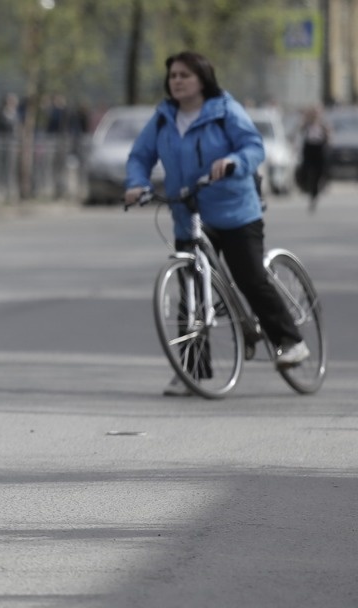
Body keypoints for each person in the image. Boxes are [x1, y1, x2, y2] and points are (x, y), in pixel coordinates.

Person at [124, 51, 309, 397]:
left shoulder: (224, 110)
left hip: (235, 210)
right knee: (191, 290)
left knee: (250, 277)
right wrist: (136, 183)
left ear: (202, 79)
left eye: (184, 75)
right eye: (173, 76)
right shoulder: (164, 118)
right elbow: (140, 156)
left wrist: (233, 161)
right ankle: (191, 370)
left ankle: (290, 341)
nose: (176, 81)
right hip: (187, 212)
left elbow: (254, 146)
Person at [296, 104, 330, 212]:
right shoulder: (307, 124)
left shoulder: (323, 124)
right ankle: (306, 188)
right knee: (307, 171)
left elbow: (329, 136)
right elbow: (299, 130)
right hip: (309, 149)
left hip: (318, 149)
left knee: (319, 173)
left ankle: (315, 193)